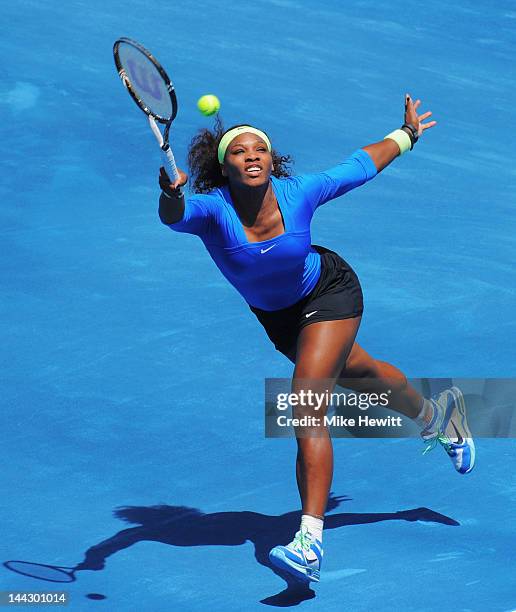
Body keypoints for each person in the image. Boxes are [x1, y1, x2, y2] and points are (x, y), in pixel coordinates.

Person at [157, 95, 475, 584]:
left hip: (329, 290)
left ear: (271, 159)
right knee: (363, 374)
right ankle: (440, 417)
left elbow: (358, 167)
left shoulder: (298, 192)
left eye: (258, 149)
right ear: (224, 167)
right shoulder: (210, 211)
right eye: (239, 152)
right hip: (281, 320)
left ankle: (309, 541)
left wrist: (406, 135)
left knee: (306, 403)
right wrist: (170, 194)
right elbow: (173, 215)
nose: (252, 156)